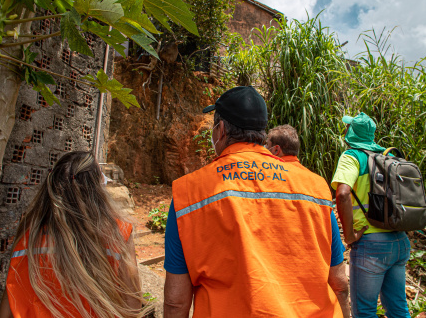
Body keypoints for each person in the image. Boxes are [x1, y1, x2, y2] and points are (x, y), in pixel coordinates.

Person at [164, 86, 344, 318]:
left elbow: (176, 302)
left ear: (220, 131)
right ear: (261, 131)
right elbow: (339, 281)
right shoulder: (315, 188)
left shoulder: (188, 194)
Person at [0, 151, 150, 318]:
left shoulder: (30, 232)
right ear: (97, 189)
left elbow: (9, 303)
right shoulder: (118, 233)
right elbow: (132, 304)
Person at [331, 113, 411, 318]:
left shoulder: (352, 156)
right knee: (398, 308)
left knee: (364, 311)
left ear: (351, 132)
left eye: (348, 127)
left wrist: (349, 236)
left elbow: (342, 194)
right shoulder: (388, 157)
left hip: (371, 245)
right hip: (399, 241)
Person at [267, 124, 349, 317]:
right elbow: (339, 280)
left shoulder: (262, 184)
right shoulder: (318, 185)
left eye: (266, 145)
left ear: (276, 149)